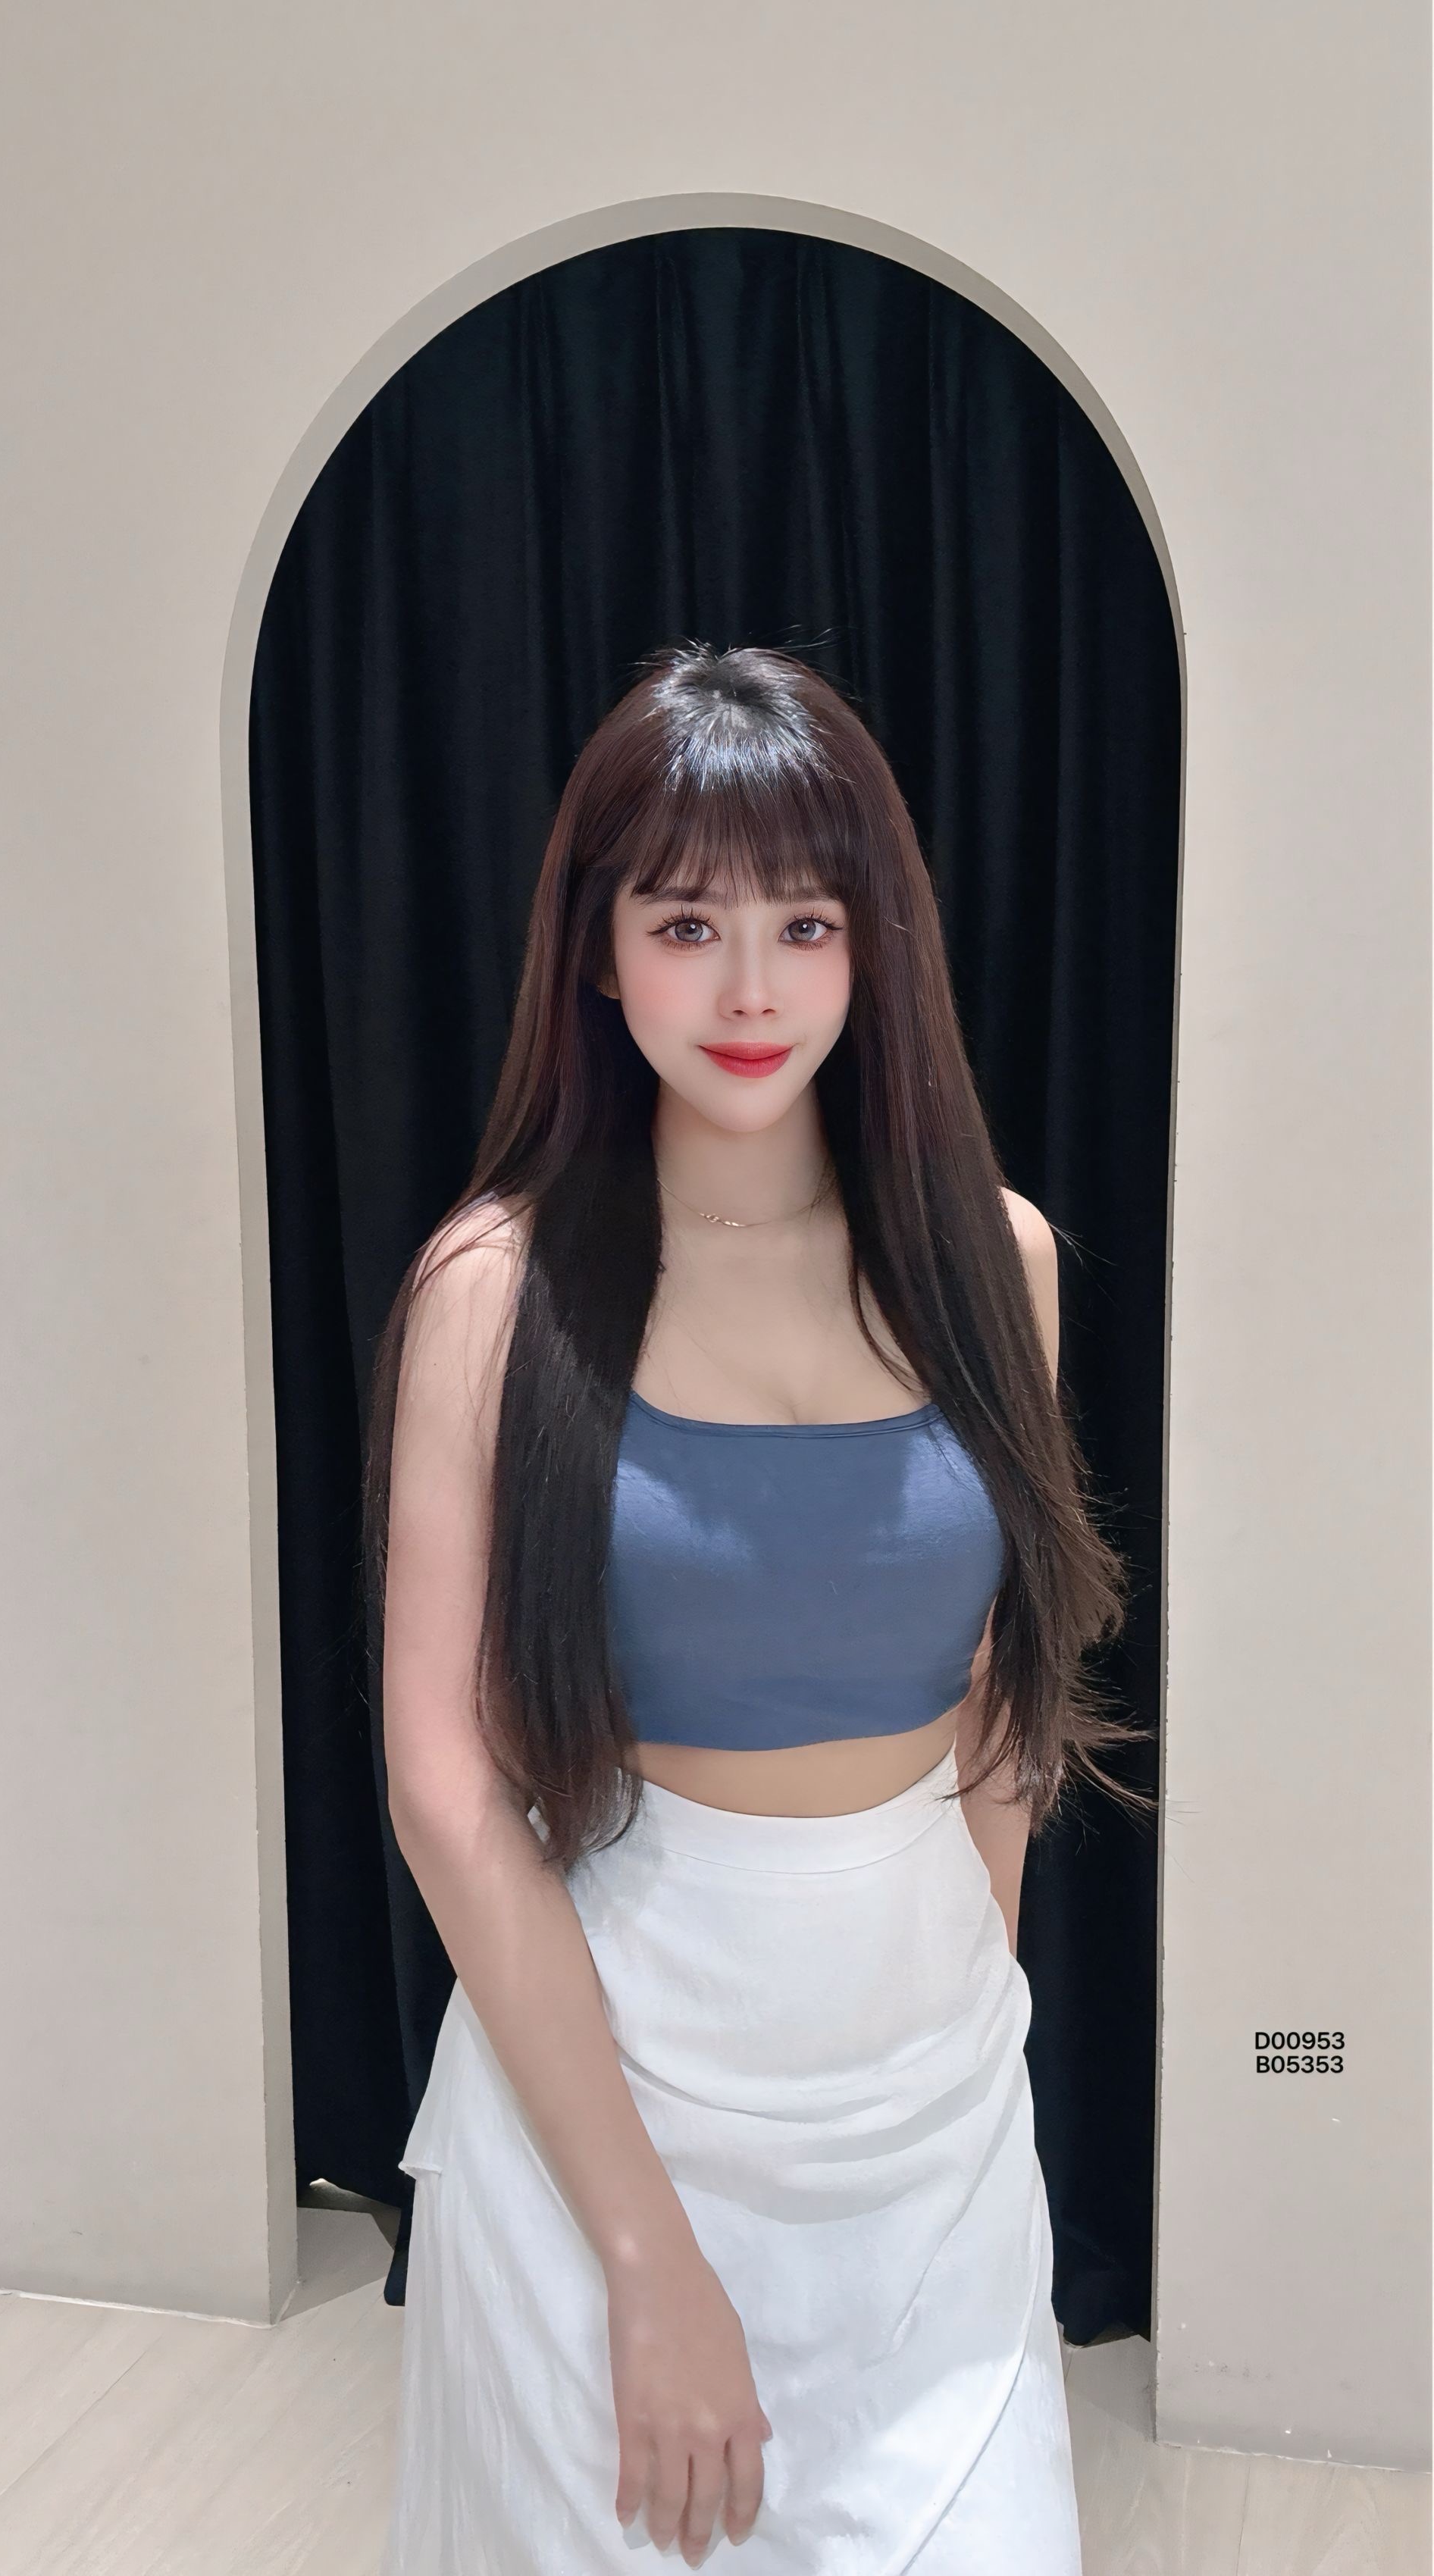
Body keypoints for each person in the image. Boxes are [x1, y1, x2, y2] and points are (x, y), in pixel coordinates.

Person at [370, 643, 1139, 2572]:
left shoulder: (997, 1265)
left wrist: (965, 1993)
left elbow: (1007, 1706)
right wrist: (646, 2254)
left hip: (929, 2097)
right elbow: (445, 1787)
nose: (748, 991)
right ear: (597, 948)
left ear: (874, 944)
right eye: (685, 923)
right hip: (607, 2078)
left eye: (804, 924)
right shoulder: (498, 1291)